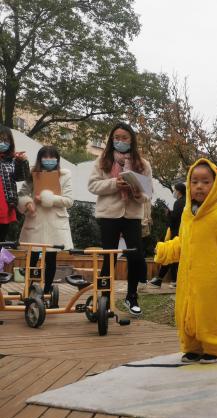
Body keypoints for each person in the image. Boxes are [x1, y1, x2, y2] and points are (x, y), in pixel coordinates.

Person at [155, 158, 217, 363]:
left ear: (216, 184)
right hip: (187, 279)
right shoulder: (187, 215)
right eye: (194, 181)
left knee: (211, 313)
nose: (199, 186)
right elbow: (183, 242)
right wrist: (166, 250)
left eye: (206, 181)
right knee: (187, 311)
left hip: (213, 280)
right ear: (189, 184)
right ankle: (192, 346)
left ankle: (214, 348)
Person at [87, 122, 152, 316]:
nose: (120, 141)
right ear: (111, 139)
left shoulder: (142, 164)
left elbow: (148, 194)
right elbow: (92, 186)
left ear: (131, 140)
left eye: (124, 138)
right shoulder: (102, 160)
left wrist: (138, 193)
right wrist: (115, 183)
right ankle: (105, 298)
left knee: (136, 256)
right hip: (109, 214)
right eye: (117, 137)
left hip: (132, 215)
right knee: (109, 257)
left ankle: (131, 296)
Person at [17, 146, 73, 294]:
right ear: (40, 159)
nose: (49, 160)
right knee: (32, 256)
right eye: (45, 157)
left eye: (52, 157)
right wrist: (28, 203)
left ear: (57, 159)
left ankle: (47, 291)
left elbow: (69, 200)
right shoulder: (32, 174)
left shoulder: (64, 175)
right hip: (35, 219)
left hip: (55, 221)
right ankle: (28, 290)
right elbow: (22, 194)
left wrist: (49, 198)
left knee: (51, 257)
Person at [148, 183, 185, 289]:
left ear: (178, 191)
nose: (174, 192)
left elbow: (175, 219)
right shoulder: (187, 201)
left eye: (175, 190)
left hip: (177, 233)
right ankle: (168, 280)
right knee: (174, 256)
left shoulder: (178, 202)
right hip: (183, 233)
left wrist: (168, 214)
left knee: (170, 255)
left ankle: (161, 279)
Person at [0, 125, 29, 241]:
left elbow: (22, 177)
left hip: (6, 205)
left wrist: (22, 162)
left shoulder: (12, 160)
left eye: (5, 140)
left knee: (1, 238)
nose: (2, 143)